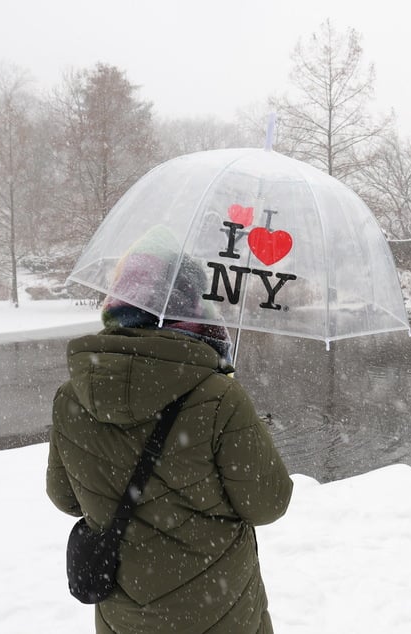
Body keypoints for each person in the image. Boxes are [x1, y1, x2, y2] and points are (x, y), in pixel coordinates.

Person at [46, 227, 293, 634]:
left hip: (125, 613)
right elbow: (268, 502)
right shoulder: (218, 396)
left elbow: (66, 498)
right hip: (219, 609)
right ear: (191, 302)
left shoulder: (72, 397)